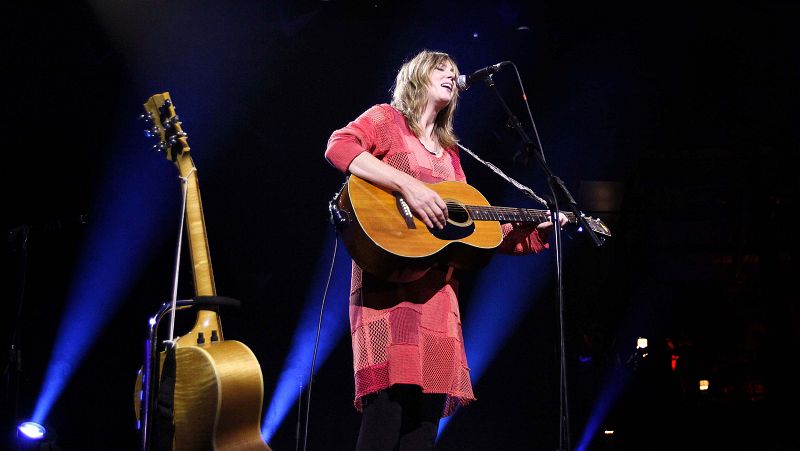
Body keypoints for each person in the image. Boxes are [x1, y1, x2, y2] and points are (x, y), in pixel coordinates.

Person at [324, 49, 567, 451]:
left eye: (455, 72)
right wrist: (409, 186)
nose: (453, 76)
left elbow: (471, 232)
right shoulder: (386, 120)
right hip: (389, 291)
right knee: (386, 417)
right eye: (442, 69)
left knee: (422, 429)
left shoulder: (452, 155)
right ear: (417, 75)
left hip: (438, 298)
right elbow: (339, 147)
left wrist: (533, 233)